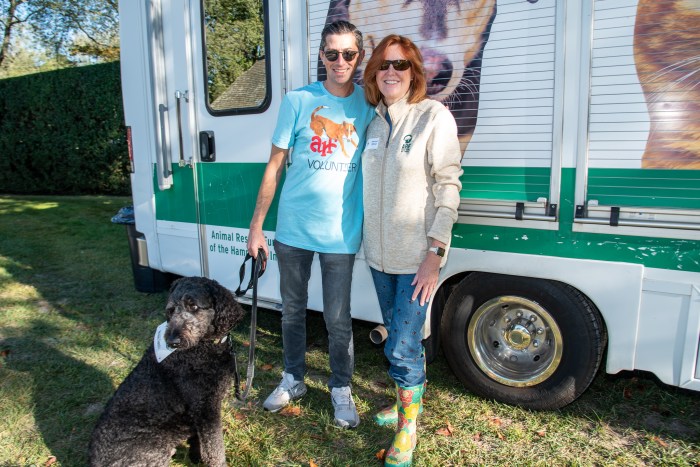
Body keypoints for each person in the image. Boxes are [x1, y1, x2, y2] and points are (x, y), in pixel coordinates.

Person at [246, 20, 374, 429]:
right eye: (332, 54)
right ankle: (293, 379)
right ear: (321, 55)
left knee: (338, 318)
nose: (340, 62)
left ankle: (340, 389)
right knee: (292, 312)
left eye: (348, 54)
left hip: (340, 234)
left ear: (359, 57)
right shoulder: (298, 101)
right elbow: (274, 167)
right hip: (293, 232)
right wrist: (256, 227)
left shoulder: (369, 106)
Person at [361, 35, 463, 465]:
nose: (391, 72)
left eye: (401, 65)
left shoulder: (432, 116)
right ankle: (406, 404)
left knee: (402, 344)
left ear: (414, 72)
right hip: (378, 257)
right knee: (399, 338)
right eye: (384, 65)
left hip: (417, 257)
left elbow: (449, 184)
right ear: (374, 74)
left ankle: (408, 428)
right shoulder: (371, 122)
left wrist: (435, 253)